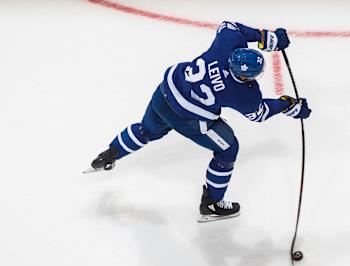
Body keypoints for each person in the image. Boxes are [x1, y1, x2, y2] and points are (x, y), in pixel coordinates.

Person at [85, 21, 311, 222]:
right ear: (245, 76)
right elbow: (259, 114)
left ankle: (109, 154)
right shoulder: (243, 93)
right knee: (228, 149)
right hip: (189, 117)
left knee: (146, 130)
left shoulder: (226, 46)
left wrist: (264, 37)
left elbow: (229, 26)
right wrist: (287, 104)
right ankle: (211, 203)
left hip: (165, 93)